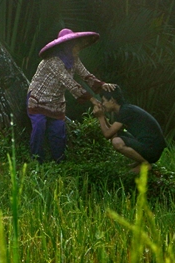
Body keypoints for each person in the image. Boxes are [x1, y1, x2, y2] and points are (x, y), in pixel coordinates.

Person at [27, 28, 116, 162]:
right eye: (76, 45)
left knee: (58, 132)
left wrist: (102, 84)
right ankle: (36, 161)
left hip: (57, 103)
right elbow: (68, 82)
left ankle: (59, 162)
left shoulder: (74, 59)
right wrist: (91, 99)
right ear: (67, 46)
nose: (79, 48)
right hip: (39, 99)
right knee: (39, 128)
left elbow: (85, 74)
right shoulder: (53, 61)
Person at [92, 86, 166, 173]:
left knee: (117, 142)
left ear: (112, 100)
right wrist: (102, 116)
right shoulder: (125, 109)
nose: (103, 104)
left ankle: (145, 164)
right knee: (116, 136)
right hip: (149, 146)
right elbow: (112, 132)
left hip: (152, 150)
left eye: (103, 101)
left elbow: (107, 134)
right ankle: (140, 162)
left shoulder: (125, 111)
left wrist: (100, 117)